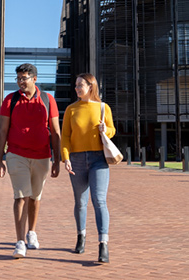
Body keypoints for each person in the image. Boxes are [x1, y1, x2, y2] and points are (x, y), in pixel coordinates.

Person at [0, 63, 61, 258]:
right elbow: (2, 131)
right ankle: (19, 241)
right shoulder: (10, 100)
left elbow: (56, 132)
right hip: (16, 154)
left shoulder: (48, 100)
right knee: (21, 196)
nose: (20, 82)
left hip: (42, 156)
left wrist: (57, 160)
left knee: (35, 197)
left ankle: (31, 232)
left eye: (23, 78)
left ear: (34, 79)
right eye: (18, 79)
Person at [61, 73, 116, 263]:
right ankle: (81, 236)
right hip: (76, 159)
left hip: (98, 158)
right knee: (80, 202)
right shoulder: (71, 109)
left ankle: (103, 244)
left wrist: (105, 130)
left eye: (80, 85)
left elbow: (112, 129)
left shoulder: (103, 107)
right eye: (76, 85)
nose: (76, 88)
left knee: (99, 200)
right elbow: (66, 136)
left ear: (90, 86)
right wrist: (65, 157)